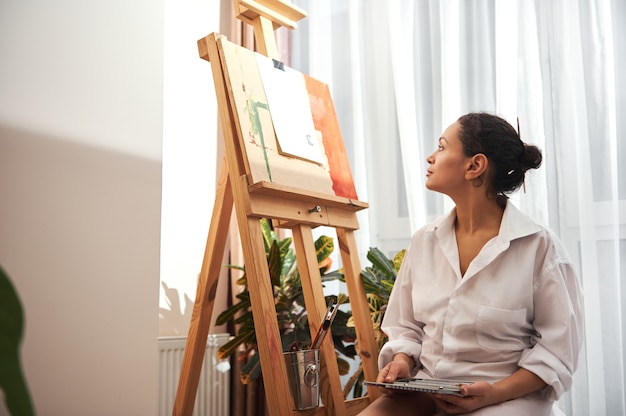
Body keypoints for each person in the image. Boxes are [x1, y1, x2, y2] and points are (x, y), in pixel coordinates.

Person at [359, 113, 584, 416]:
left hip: (507, 398)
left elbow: (557, 353)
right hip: (429, 390)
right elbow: (406, 327)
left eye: (441, 147)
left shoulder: (539, 248)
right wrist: (401, 362)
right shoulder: (424, 242)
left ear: (474, 165)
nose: (430, 157)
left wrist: (492, 393)